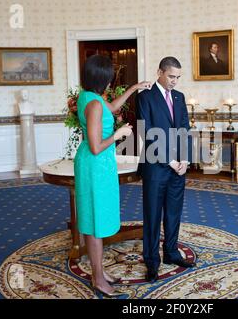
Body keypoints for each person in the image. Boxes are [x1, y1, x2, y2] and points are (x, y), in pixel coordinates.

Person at [74, 54, 151, 297]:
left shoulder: (89, 97)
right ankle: (98, 278)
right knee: (95, 222)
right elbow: (97, 146)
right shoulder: (95, 104)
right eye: (109, 77)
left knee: (92, 217)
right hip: (95, 163)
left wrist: (134, 88)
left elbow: (114, 107)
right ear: (102, 78)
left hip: (95, 163)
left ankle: (98, 270)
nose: (111, 81)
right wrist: (119, 135)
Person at [136, 56, 195, 284]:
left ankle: (171, 253)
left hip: (178, 168)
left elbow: (185, 130)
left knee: (173, 212)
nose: (174, 82)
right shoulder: (145, 97)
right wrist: (170, 160)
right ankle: (151, 261)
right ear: (159, 72)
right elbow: (148, 133)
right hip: (156, 166)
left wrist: (185, 161)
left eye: (178, 77)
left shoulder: (179, 98)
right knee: (152, 215)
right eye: (171, 76)